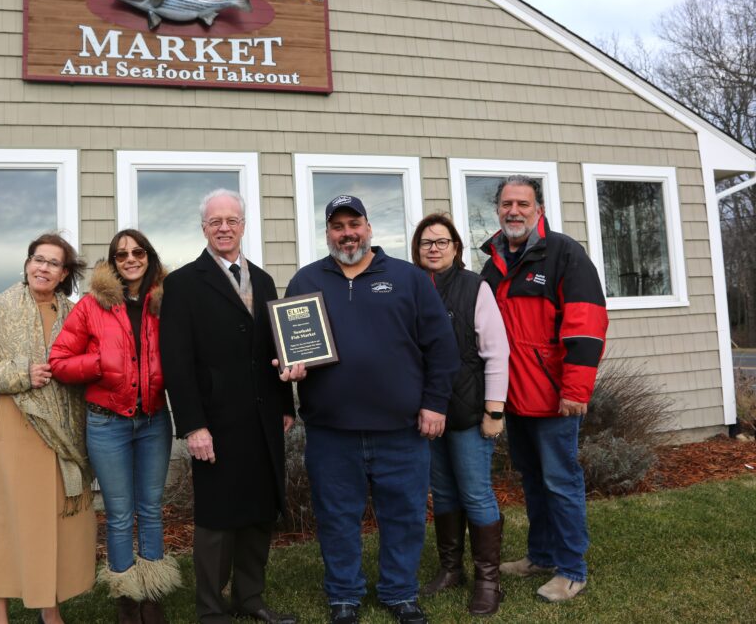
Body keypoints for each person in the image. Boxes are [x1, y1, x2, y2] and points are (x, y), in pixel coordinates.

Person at [279, 196, 459, 624]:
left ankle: (400, 592)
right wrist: (292, 367)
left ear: (369, 227)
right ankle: (344, 595)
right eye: (337, 226)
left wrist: (435, 404)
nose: (347, 233)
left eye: (354, 223)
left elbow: (442, 348)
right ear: (327, 233)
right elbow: (285, 349)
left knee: (405, 515)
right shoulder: (306, 280)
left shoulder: (408, 278)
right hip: (331, 431)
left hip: (401, 428)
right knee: (337, 517)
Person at [159, 189, 297, 624]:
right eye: (215, 221)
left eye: (232, 220)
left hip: (263, 419)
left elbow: (276, 349)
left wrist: (285, 403)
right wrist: (193, 426)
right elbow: (176, 364)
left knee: (259, 510)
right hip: (214, 422)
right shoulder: (182, 284)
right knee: (217, 519)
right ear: (204, 228)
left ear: (243, 225)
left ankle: (250, 598)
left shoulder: (264, 279)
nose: (224, 227)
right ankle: (212, 608)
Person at [479, 175, 608, 602]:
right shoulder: (494, 259)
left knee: (560, 482)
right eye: (506, 203)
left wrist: (576, 389)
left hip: (555, 399)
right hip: (513, 398)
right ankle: (540, 554)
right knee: (533, 481)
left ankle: (572, 569)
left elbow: (587, 325)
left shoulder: (565, 255)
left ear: (539, 208)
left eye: (523, 203)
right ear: (498, 208)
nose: (513, 210)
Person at [0, 232, 95, 624]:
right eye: (38, 259)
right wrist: (20, 374)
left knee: (51, 522)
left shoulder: (73, 312)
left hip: (61, 433)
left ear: (64, 272)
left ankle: (49, 610)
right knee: (9, 520)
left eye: (53, 263)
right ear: (27, 263)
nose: (43, 268)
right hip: (15, 425)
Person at [49, 229, 180, 624]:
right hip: (107, 424)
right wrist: (98, 364)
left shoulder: (166, 303)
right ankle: (126, 596)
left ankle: (153, 591)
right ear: (113, 261)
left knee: (152, 509)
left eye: (138, 252)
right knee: (121, 513)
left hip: (155, 419)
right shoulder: (91, 306)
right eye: (121, 254)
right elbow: (59, 360)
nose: (131, 259)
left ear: (148, 256)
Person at [411, 213, 510, 616]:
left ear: (455, 247)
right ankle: (451, 570)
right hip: (428, 415)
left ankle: (489, 581)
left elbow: (496, 352)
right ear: (417, 251)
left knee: (474, 493)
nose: (433, 248)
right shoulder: (412, 289)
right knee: (446, 494)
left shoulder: (475, 288)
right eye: (426, 243)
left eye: (441, 242)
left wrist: (495, 409)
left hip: (470, 412)